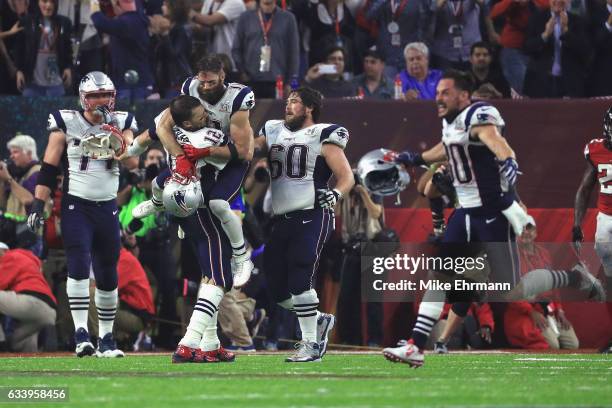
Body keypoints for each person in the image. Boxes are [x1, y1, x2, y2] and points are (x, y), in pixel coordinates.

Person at [380, 70, 603, 368]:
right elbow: (444, 148)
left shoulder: (478, 117)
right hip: (464, 214)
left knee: (513, 290)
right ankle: (416, 345)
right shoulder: (451, 124)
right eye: (438, 92)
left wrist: (508, 159)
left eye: (446, 92)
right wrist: (414, 158)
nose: (439, 97)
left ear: (463, 95)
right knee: (441, 277)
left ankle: (575, 276)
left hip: (491, 214)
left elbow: (496, 141)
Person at [27, 71, 138, 358]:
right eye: (94, 96)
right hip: (77, 206)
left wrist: (114, 133)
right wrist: (39, 204)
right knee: (77, 265)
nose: (101, 101)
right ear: (83, 99)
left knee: (107, 271)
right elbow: (49, 167)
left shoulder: (123, 120)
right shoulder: (66, 122)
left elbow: (133, 159)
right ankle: (80, 334)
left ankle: (107, 338)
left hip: (107, 207)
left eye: (105, 95)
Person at [134, 54, 255, 289]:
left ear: (223, 76)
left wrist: (205, 151)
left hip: (228, 157)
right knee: (161, 183)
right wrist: (180, 157)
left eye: (212, 82)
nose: (206, 87)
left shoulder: (238, 98)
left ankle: (242, 257)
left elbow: (243, 152)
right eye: (203, 83)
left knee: (217, 204)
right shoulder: (190, 88)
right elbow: (161, 127)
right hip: (197, 152)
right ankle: (163, 205)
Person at [253, 86, 355, 362]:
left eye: (295, 102)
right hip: (282, 218)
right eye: (287, 101)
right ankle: (318, 320)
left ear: (309, 108)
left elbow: (346, 177)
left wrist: (335, 194)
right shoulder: (273, 129)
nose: (288, 106)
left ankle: (310, 344)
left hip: (313, 214)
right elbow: (249, 149)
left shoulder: (323, 133)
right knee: (276, 288)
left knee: (300, 274)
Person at [573, 106, 612, 354]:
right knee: (609, 280)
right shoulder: (596, 149)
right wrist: (577, 224)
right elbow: (585, 188)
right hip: (606, 220)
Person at [231, 0, 299, 99]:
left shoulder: (288, 18)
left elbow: (293, 52)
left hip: (278, 80)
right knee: (252, 114)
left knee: (275, 113)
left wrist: (289, 82)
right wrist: (242, 72)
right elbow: (236, 49)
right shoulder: (245, 17)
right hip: (251, 79)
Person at [523, 0, 590, 98]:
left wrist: (566, 32)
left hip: (569, 85)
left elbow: (586, 51)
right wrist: (545, 35)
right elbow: (527, 48)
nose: (558, 0)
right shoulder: (536, 18)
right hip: (540, 83)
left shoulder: (578, 21)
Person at [90, 0, 154, 100]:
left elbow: (100, 22)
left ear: (117, 6)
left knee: (129, 113)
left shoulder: (127, 21)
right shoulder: (138, 19)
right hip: (138, 80)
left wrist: (93, 3)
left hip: (131, 83)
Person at [0, 243, 57, 352]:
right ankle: (34, 351)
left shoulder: (10, 257)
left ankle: (0, 344)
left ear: (2, 251)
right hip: (49, 311)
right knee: (18, 341)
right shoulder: (29, 261)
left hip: (31, 301)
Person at [14, 0, 73, 96]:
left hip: (56, 82)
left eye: (52, 2)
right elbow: (19, 48)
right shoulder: (27, 22)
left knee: (56, 110)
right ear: (37, 2)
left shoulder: (64, 23)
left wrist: (67, 67)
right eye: (44, 1)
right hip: (32, 83)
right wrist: (19, 70)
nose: (48, 5)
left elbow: (68, 47)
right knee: (30, 110)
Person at [0, 135, 41, 254]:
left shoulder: (38, 172)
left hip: (29, 236)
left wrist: (8, 179)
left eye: (15, 152)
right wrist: (2, 181)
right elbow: (2, 203)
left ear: (28, 153)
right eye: (11, 153)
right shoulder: (17, 174)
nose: (11, 156)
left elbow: (28, 200)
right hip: (12, 233)